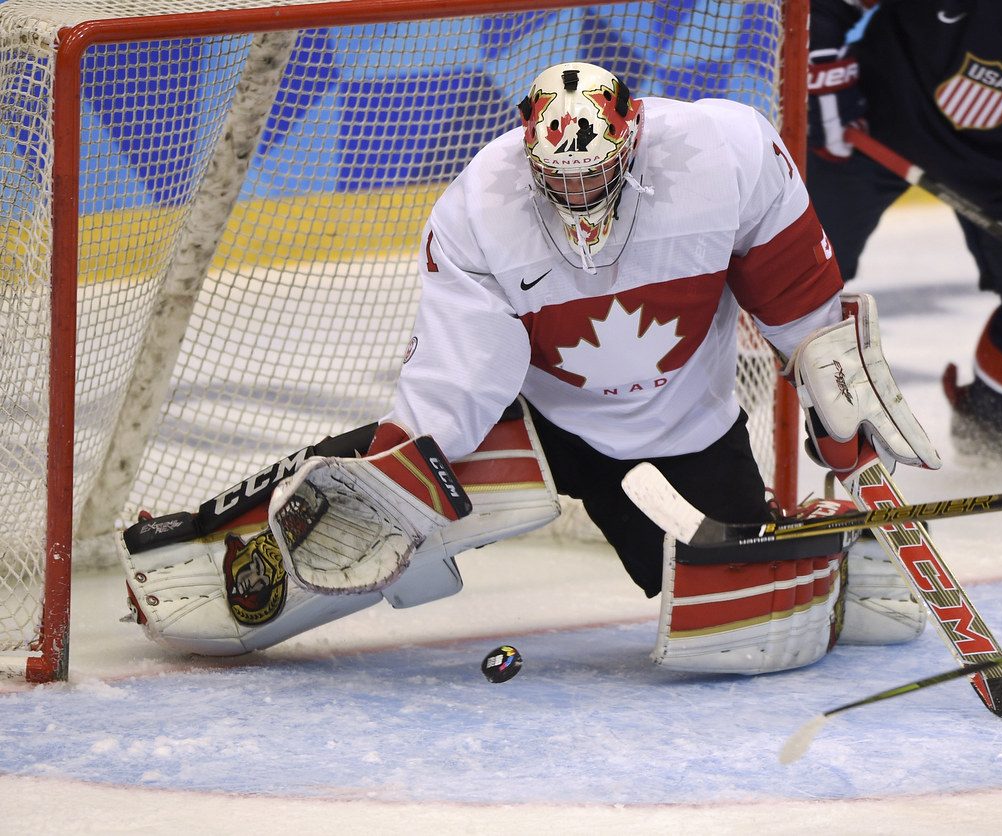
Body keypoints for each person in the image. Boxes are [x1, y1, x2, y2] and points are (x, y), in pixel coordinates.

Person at [119, 62, 937, 674]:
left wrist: (842, 418)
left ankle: (837, 555)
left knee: (740, 629)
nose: (577, 195)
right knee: (372, 506)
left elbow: (800, 309)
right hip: (536, 423)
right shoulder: (481, 206)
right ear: (530, 154)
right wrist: (398, 475)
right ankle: (200, 547)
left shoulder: (727, 152)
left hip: (681, 430)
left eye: (594, 172)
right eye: (560, 178)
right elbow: (457, 376)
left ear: (633, 136)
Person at [805, 0, 1002, 458]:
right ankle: (724, 435)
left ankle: (988, 430)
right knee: (795, 281)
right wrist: (824, 58)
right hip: (876, 122)